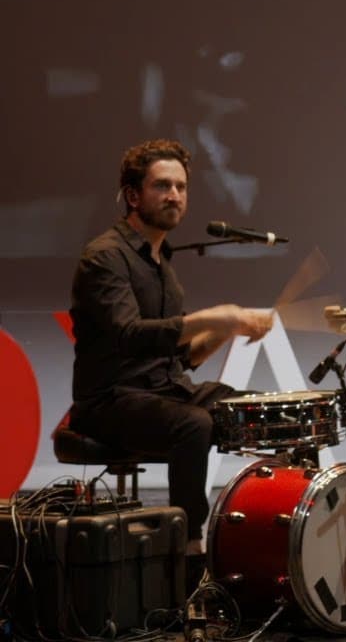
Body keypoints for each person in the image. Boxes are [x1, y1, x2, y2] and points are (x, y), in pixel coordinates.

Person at [69, 139, 274, 562]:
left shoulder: (163, 262)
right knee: (193, 425)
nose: (175, 196)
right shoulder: (105, 256)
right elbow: (129, 335)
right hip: (110, 399)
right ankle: (189, 546)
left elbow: (179, 361)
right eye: (162, 186)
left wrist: (228, 328)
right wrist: (214, 316)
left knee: (257, 411)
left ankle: (272, 531)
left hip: (163, 392)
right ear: (132, 195)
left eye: (181, 187)